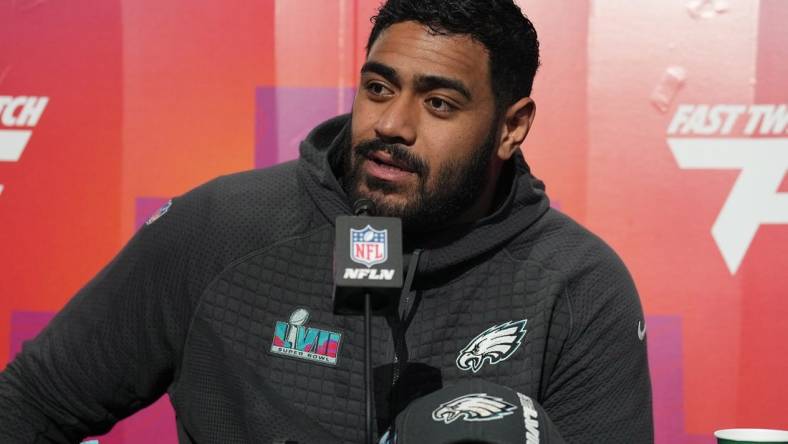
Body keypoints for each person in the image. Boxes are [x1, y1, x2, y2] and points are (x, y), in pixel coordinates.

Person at [0, 0, 653, 442]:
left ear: (511, 127)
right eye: (377, 87)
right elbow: (31, 404)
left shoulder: (579, 286)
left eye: (440, 102)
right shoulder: (222, 226)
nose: (392, 124)